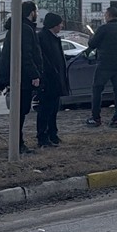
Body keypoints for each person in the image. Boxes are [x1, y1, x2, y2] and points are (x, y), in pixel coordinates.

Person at [0, 0, 43, 152]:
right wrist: (34, 74)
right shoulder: (25, 29)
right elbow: (26, 55)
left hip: (17, 76)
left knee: (20, 111)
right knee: (20, 112)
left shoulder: (17, 28)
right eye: (36, 11)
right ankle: (17, 144)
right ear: (31, 12)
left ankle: (17, 142)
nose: (37, 14)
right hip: (21, 78)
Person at [86, 6, 117, 128]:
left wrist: (91, 36)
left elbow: (92, 44)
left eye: (105, 14)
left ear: (108, 15)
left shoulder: (104, 28)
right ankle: (116, 119)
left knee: (97, 90)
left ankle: (96, 118)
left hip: (104, 64)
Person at [35, 13, 70, 148]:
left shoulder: (53, 38)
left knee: (54, 108)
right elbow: (44, 60)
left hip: (56, 80)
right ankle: (42, 137)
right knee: (45, 109)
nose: (61, 26)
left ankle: (52, 134)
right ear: (54, 24)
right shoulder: (43, 38)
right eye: (60, 23)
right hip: (48, 81)